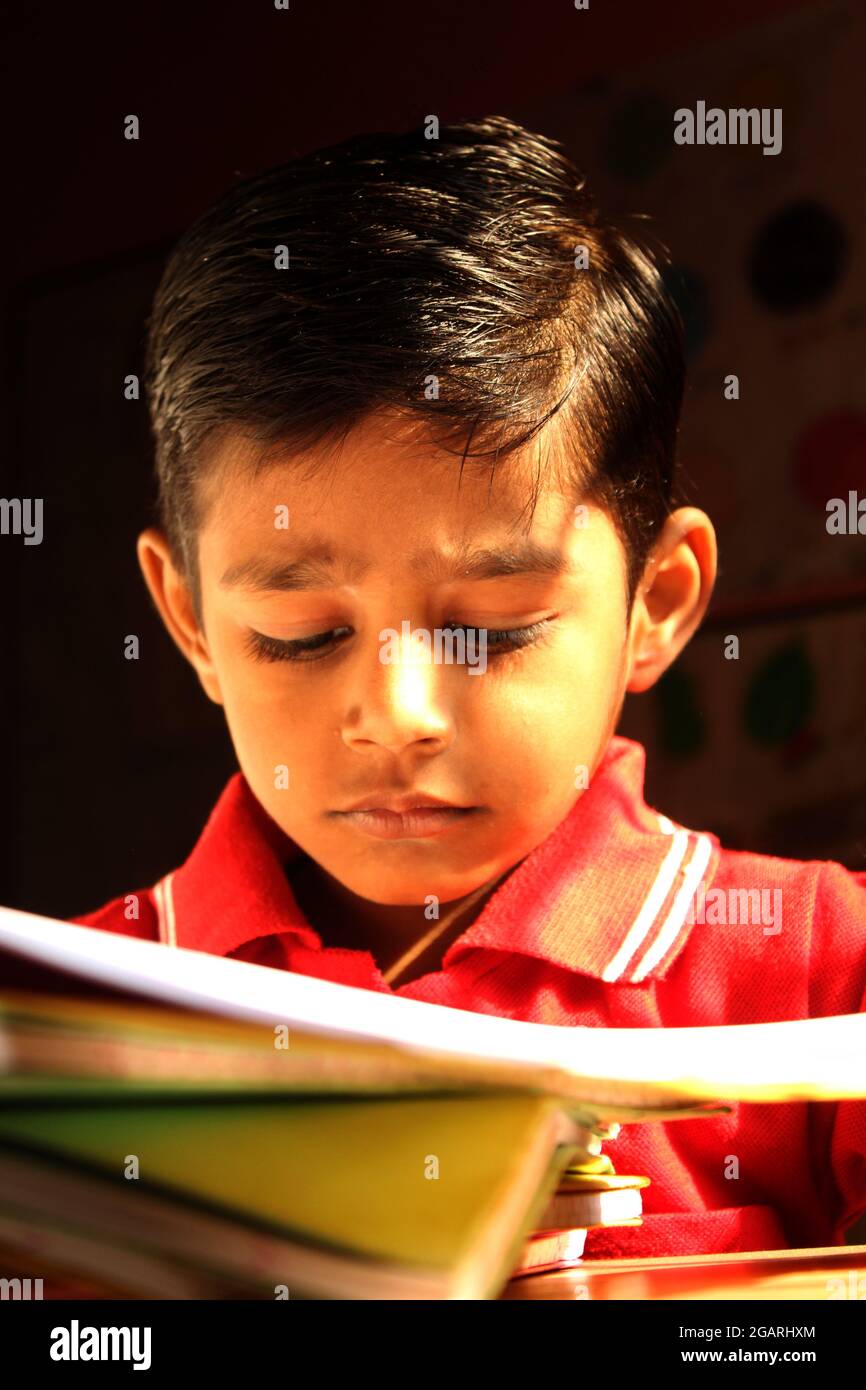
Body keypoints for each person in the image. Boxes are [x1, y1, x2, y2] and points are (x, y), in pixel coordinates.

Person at [72, 115, 866, 1259]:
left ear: (655, 599)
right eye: (299, 633)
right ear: (190, 620)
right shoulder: (70, 1014)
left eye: (489, 629)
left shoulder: (823, 967)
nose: (396, 715)